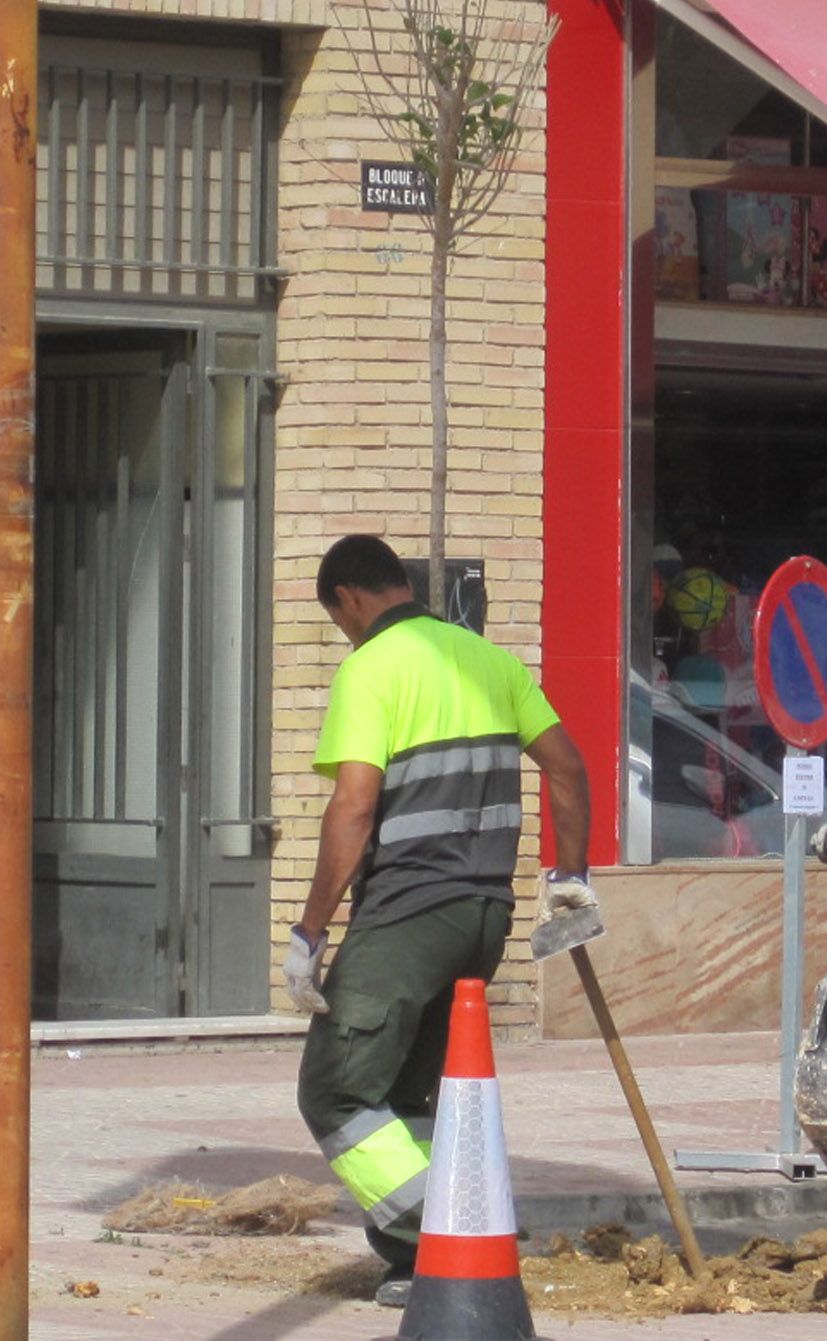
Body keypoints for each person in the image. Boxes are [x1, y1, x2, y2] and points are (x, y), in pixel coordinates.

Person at [280, 535, 592, 1307]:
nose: (345, 636)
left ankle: (447, 1236)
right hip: (484, 917)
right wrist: (571, 879)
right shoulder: (489, 660)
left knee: (338, 1092)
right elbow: (568, 767)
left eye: (338, 621)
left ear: (349, 598)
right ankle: (413, 1264)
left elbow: (353, 806)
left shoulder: (372, 667)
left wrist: (309, 932)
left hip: (408, 916)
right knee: (408, 1099)